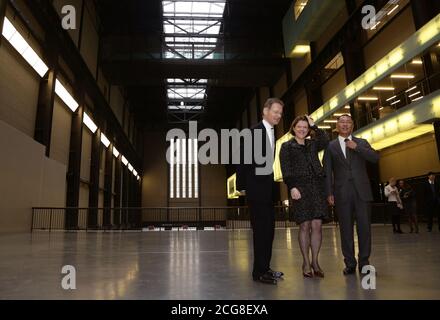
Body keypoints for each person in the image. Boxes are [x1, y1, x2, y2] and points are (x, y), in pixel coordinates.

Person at [323, 114, 379, 275]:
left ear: (352, 125)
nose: (345, 124)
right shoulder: (330, 146)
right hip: (341, 193)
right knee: (345, 229)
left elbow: (375, 158)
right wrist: (329, 193)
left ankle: (364, 262)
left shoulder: (362, 142)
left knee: (364, 228)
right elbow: (326, 171)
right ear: (337, 126)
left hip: (362, 192)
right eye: (342, 122)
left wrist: (357, 148)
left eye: (348, 122)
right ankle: (349, 263)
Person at [236, 98, 284, 284]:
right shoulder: (253, 131)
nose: (278, 115)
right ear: (265, 111)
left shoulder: (271, 131)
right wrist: (242, 187)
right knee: (260, 231)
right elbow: (242, 159)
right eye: (275, 111)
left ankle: (265, 267)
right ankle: (258, 272)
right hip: (256, 189)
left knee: (269, 230)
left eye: (280, 113)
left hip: (267, 189)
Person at [279, 115, 329, 278]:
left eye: (305, 127)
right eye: (299, 126)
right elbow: (285, 169)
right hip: (300, 188)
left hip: (317, 187)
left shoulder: (312, 143)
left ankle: (315, 261)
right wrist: (292, 186)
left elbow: (325, 140)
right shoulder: (287, 146)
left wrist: (314, 126)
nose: (302, 129)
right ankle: (306, 262)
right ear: (293, 128)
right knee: (304, 226)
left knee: (317, 226)